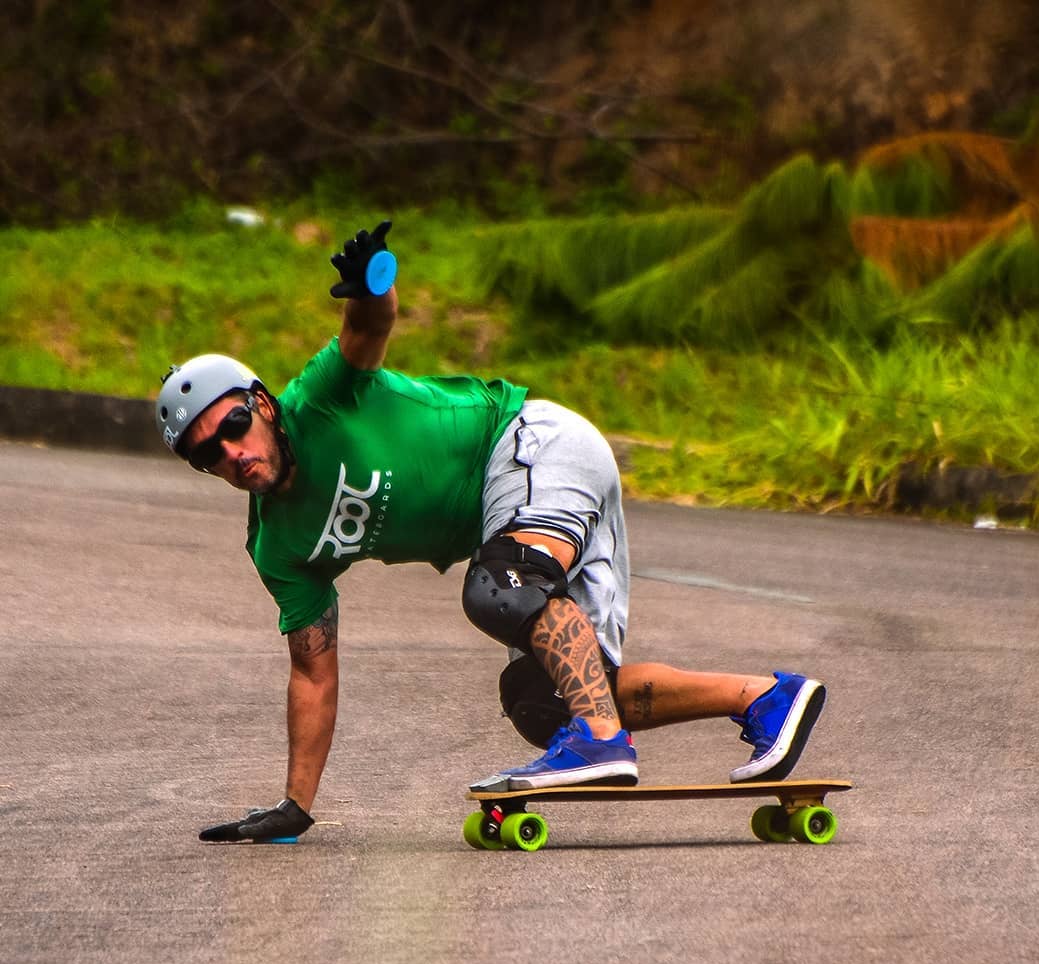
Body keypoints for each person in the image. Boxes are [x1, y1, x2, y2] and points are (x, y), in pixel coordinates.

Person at [157, 220, 827, 843]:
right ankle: (766, 697)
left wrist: (373, 285)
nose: (231, 453)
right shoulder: (278, 546)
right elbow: (312, 673)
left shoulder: (318, 400)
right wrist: (294, 807)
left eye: (234, 426)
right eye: (206, 453)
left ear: (264, 407)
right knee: (543, 698)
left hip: (529, 444)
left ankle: (601, 741)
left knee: (502, 587)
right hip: (517, 511)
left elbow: (368, 328)